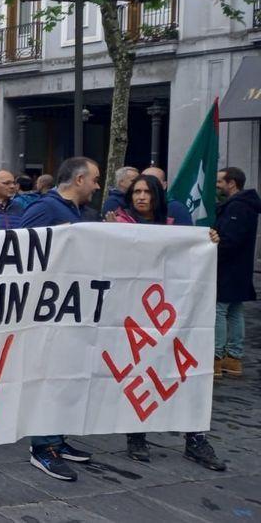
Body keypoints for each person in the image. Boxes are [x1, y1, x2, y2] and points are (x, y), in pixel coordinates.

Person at [107, 174, 226, 470]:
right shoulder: (116, 226)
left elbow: (192, 258)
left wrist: (207, 241)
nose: (141, 197)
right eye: (136, 192)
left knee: (183, 370)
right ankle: (136, 435)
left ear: (157, 196)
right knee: (139, 372)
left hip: (173, 310)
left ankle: (194, 437)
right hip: (134, 313)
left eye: (147, 191)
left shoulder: (175, 229)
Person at [16, 156, 101, 481]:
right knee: (47, 377)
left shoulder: (81, 212)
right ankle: (43, 448)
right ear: (79, 180)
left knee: (66, 374)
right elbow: (21, 246)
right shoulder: (46, 208)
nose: (96, 185)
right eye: (93, 179)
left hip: (71, 307)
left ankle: (57, 439)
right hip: (46, 309)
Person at [213, 166, 260, 378]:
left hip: (229, 268)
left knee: (221, 310)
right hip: (238, 269)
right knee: (233, 310)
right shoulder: (242, 205)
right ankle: (233, 358)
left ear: (232, 183)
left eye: (220, 181)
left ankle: (218, 356)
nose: (216, 185)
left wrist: (213, 254)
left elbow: (229, 240)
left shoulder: (238, 207)